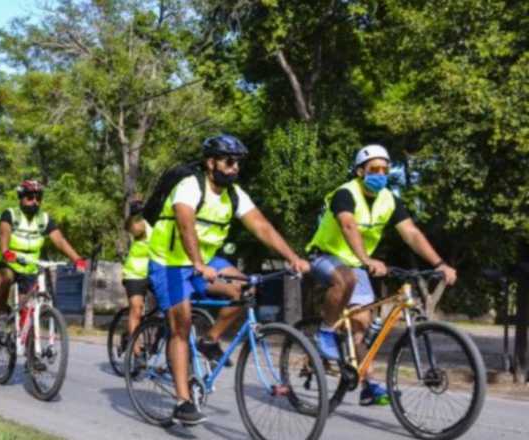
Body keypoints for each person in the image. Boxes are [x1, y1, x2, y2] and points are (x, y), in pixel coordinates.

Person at [147, 134, 310, 425]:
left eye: (238, 163)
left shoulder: (235, 194)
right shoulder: (190, 186)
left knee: (246, 288)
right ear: (211, 163)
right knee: (181, 324)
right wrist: (197, 263)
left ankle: (210, 340)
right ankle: (183, 402)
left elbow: (261, 226)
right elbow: (185, 225)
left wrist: (292, 256)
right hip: (169, 261)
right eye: (229, 161)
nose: (235, 167)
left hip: (205, 261)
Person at [306, 144, 457, 406]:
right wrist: (367, 260)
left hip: (356, 263)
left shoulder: (389, 199)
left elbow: (411, 233)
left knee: (362, 324)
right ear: (360, 171)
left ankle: (368, 385)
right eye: (374, 169)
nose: (381, 174)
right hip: (325, 255)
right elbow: (348, 225)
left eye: (385, 170)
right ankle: (325, 332)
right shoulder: (345, 193)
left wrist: (440, 263)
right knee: (346, 280)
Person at [0, 179, 87, 316]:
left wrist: (77, 259)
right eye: (30, 197)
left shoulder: (44, 219)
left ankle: (27, 329)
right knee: (5, 278)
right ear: (21, 198)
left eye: (38, 198)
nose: (35, 201)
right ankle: (1, 311)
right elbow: (4, 233)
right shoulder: (11, 214)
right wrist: (5, 251)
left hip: (29, 266)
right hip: (8, 261)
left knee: (27, 309)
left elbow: (59, 240)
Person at [122, 198, 151, 357]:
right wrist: (134, 214)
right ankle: (136, 353)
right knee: (136, 309)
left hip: (155, 272)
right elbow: (131, 227)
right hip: (135, 273)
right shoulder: (142, 224)